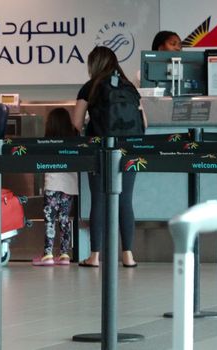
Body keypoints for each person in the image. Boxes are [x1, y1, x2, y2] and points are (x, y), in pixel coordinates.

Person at [72, 46, 147, 268]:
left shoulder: (90, 87)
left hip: (100, 149)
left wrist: (92, 124)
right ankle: (128, 255)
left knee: (99, 199)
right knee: (125, 200)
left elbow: (76, 122)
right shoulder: (130, 87)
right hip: (129, 151)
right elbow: (145, 123)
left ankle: (95, 256)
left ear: (93, 65)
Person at [32, 108, 79, 266]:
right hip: (70, 184)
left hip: (52, 182)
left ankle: (48, 254)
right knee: (65, 219)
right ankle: (65, 254)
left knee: (50, 219)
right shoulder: (74, 138)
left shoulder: (47, 140)